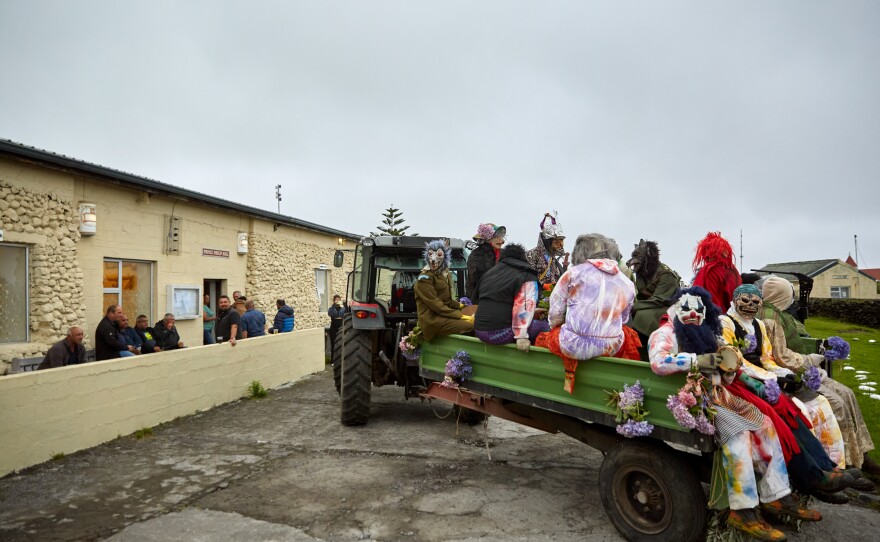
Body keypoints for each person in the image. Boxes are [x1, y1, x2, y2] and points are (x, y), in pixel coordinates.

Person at [648, 288, 823, 539]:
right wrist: (701, 361)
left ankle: (777, 496)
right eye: (686, 308)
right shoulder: (665, 333)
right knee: (738, 433)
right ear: (676, 309)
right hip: (692, 400)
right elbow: (659, 362)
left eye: (699, 309)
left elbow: (728, 366)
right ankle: (743, 511)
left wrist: (729, 367)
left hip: (721, 395)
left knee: (764, 423)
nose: (693, 314)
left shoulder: (709, 334)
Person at [761, 275, 879, 476]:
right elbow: (781, 357)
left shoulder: (780, 316)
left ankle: (861, 452)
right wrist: (809, 362)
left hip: (802, 367)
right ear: (781, 296)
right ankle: (847, 461)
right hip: (790, 373)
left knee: (847, 393)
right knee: (836, 402)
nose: (793, 299)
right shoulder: (769, 319)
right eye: (789, 295)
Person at [547, 234, 635, 360]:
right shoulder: (627, 283)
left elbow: (555, 312)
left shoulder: (573, 273)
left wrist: (556, 326)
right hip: (611, 347)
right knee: (629, 335)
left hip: (572, 346)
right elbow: (624, 319)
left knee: (544, 336)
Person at [474, 243, 549, 352]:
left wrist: (534, 311)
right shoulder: (526, 275)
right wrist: (521, 336)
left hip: (479, 330)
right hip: (498, 334)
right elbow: (523, 306)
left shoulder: (489, 273)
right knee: (544, 326)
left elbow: (486, 300)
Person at [414, 239, 474, 341]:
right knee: (468, 326)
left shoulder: (444, 275)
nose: (433, 259)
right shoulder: (424, 278)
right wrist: (460, 316)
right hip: (434, 321)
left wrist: (461, 306)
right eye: (430, 254)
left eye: (439, 254)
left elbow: (447, 300)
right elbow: (436, 304)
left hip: (443, 316)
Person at [627, 239, 681, 343]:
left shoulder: (666, 274)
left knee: (642, 316)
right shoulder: (642, 272)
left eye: (637, 256)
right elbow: (641, 295)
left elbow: (660, 299)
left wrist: (634, 307)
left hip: (667, 308)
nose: (633, 260)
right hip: (649, 305)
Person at [691, 231, 741, 312]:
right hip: (734, 318)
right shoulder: (733, 270)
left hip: (715, 319)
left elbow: (701, 298)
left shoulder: (709, 270)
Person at [526, 212, 568, 286]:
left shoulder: (554, 259)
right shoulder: (532, 254)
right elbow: (528, 277)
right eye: (556, 242)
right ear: (548, 242)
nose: (559, 245)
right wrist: (543, 285)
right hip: (536, 295)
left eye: (561, 241)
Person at [465, 223, 506, 300]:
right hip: (481, 299)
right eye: (496, 237)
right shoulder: (476, 255)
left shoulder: (504, 254)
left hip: (500, 298)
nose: (502, 241)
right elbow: (476, 280)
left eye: (501, 236)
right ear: (486, 239)